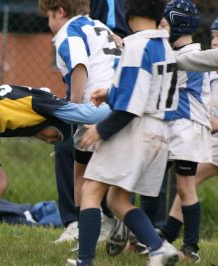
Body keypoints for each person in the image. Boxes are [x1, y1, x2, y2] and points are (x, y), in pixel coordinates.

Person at [0, 84, 111, 259]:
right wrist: (124, 106)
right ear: (54, 120)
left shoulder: (29, 102)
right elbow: (86, 113)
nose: (50, 141)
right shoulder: (48, 104)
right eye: (55, 135)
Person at [67, 0, 181, 265]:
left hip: (135, 129)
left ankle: (85, 261)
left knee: (91, 190)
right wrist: (110, 92)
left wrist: (102, 130)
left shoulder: (135, 46)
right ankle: (158, 248)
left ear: (128, 14)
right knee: (117, 199)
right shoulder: (164, 47)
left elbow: (132, 105)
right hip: (160, 133)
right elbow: (145, 89)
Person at [38, 0, 120, 244]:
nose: (49, 23)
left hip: (95, 106)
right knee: (110, 174)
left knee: (80, 176)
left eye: (49, 16)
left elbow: (79, 65)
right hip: (121, 105)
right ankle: (114, 221)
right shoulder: (100, 26)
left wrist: (73, 109)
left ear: (61, 12)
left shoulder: (68, 33)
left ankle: (82, 226)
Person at [156, 9, 216, 263]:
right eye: (213, 36)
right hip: (179, 129)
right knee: (182, 185)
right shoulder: (191, 55)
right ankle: (159, 236)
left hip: (189, 130)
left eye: (164, 24)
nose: (215, 40)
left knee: (185, 185)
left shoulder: (192, 55)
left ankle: (187, 246)